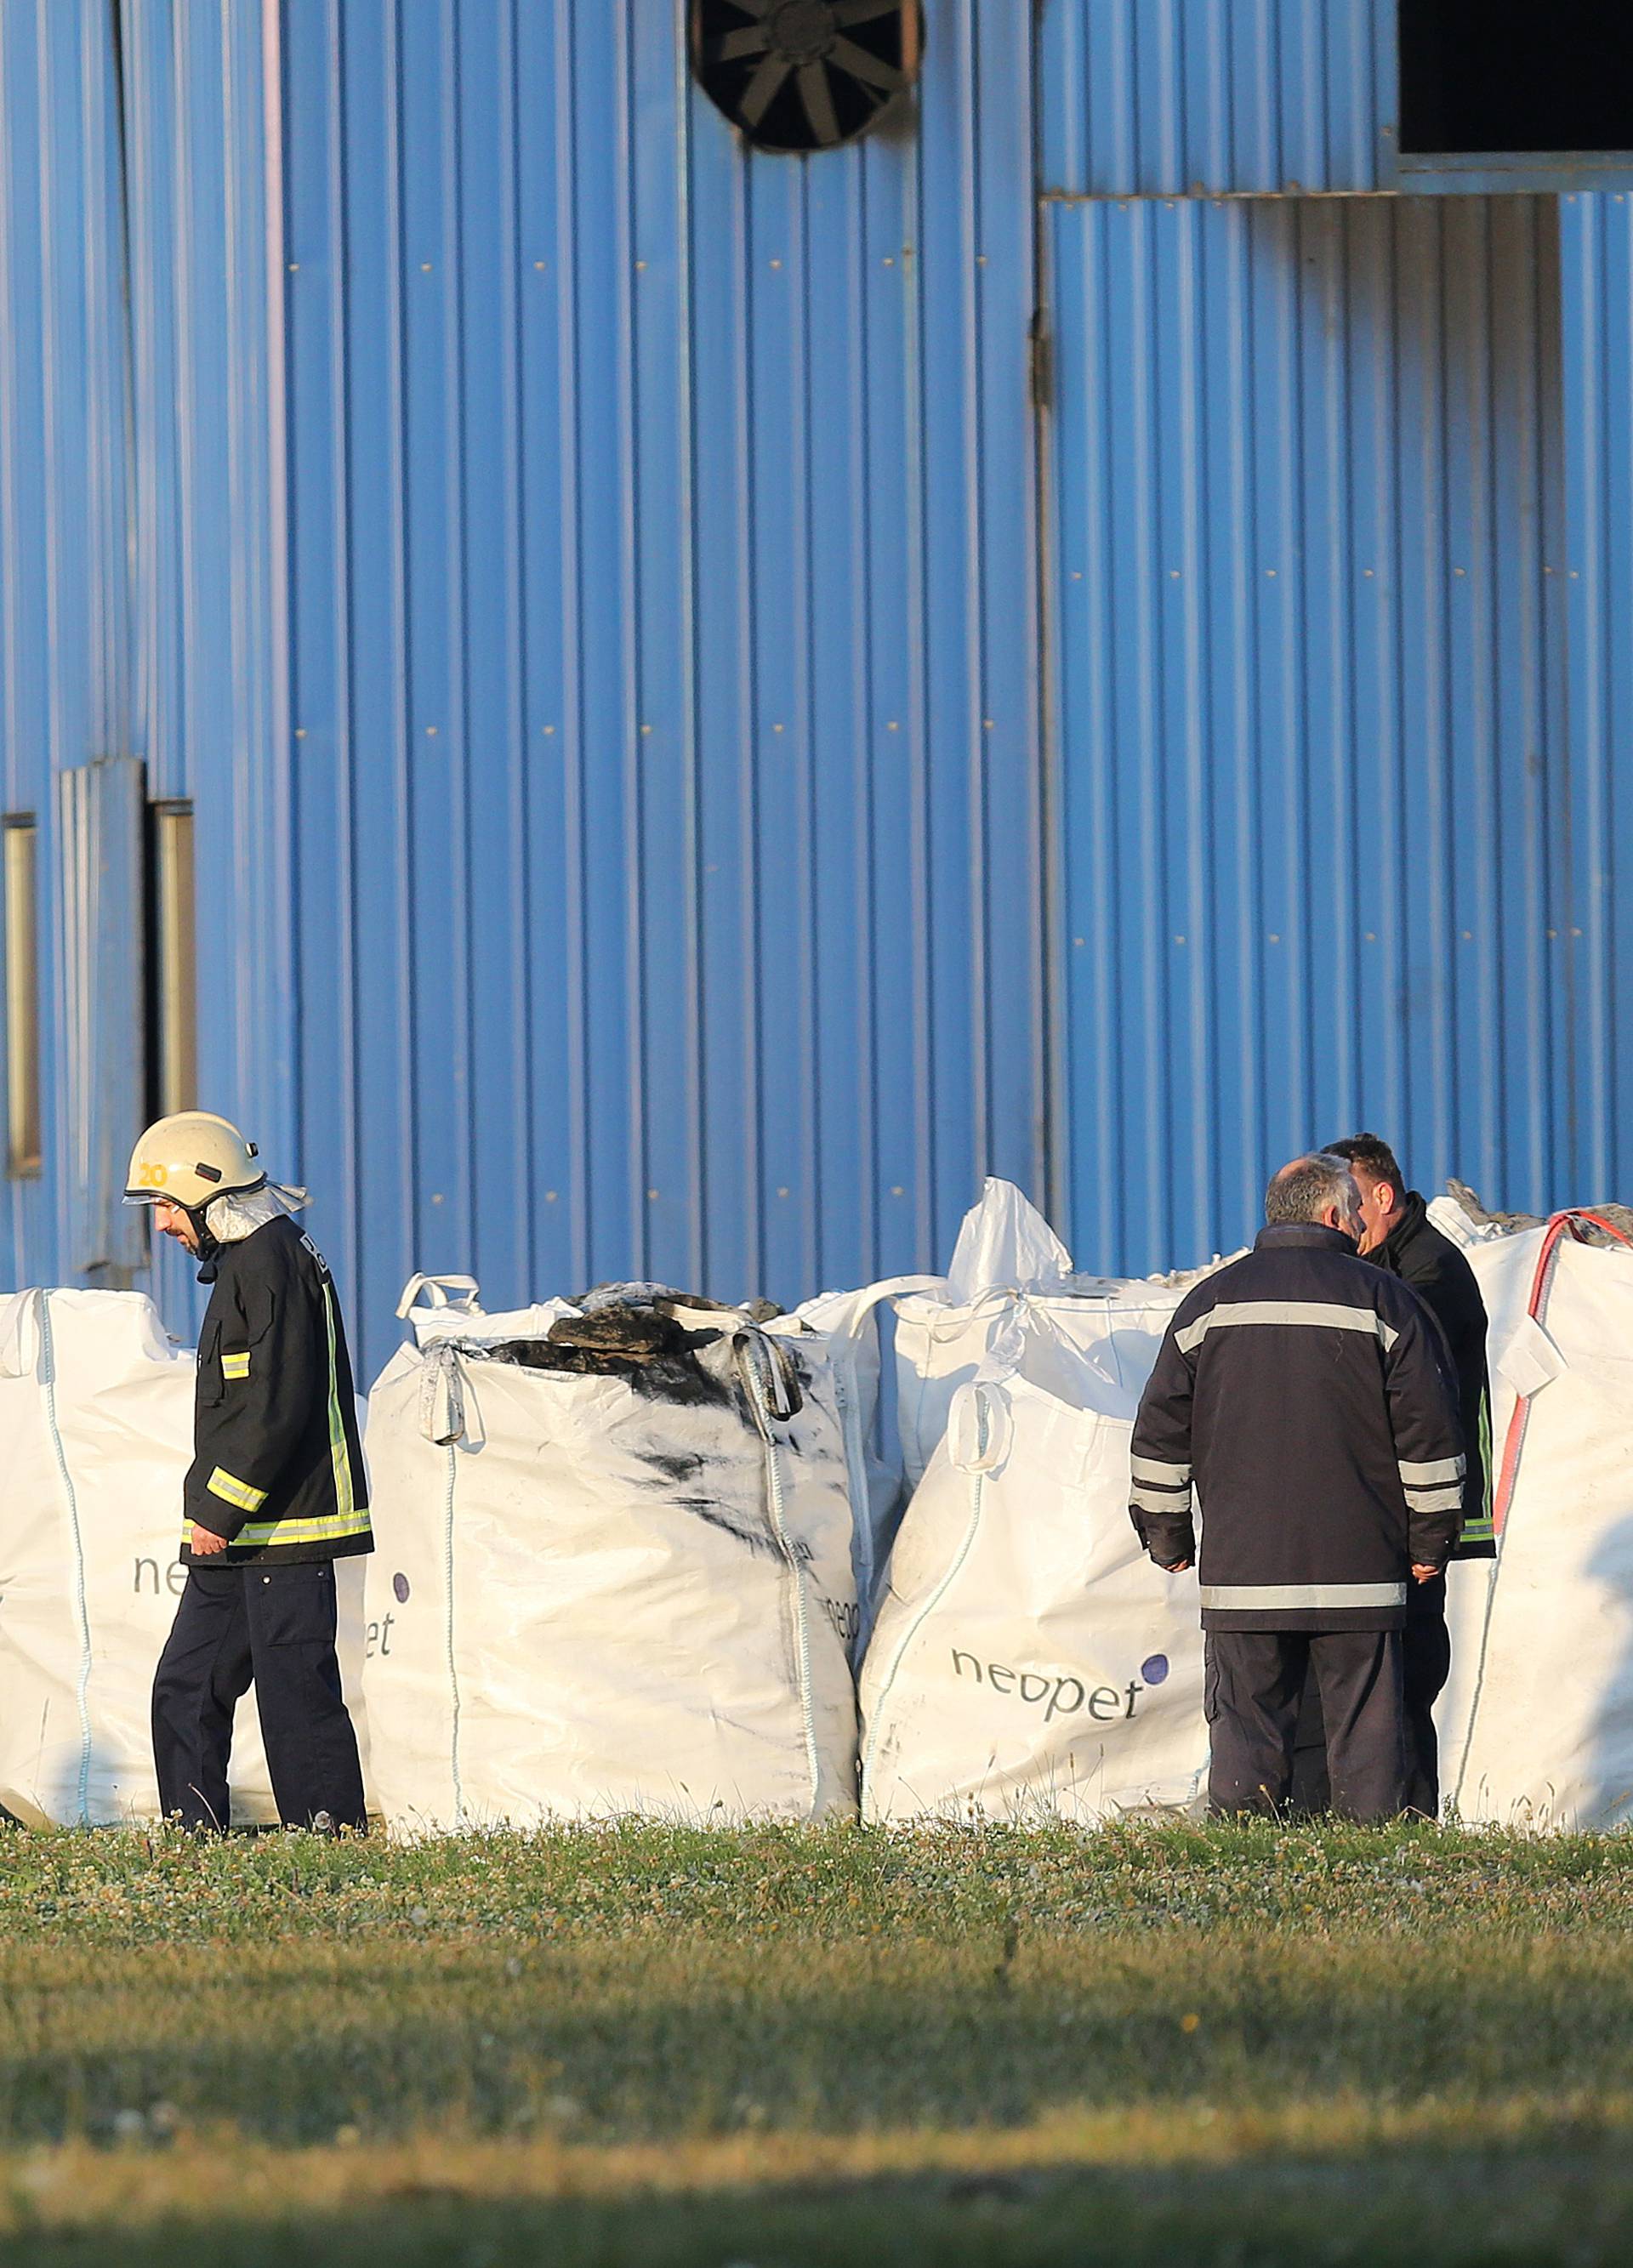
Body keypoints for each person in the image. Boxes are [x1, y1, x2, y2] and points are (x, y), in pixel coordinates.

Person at [1129, 1152, 1465, 1822]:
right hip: (1362, 1575)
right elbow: (1431, 1436)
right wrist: (1432, 1540)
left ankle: (1243, 1869)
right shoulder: (1387, 1299)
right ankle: (1373, 1875)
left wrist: (1167, 1534)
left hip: (1244, 1575)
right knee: (1367, 1744)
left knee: (1247, 1738)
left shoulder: (1208, 1304)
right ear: (1337, 1214)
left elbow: (1159, 1435)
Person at [124, 1111, 371, 1833]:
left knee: (295, 1686)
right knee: (187, 1682)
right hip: (239, 1529)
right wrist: (217, 1515)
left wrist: (218, 1512)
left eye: (167, 1206)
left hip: (284, 1525)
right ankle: (190, 1832)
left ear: (208, 1193)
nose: (164, 1225)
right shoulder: (249, 1260)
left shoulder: (270, 1261)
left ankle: (329, 1835)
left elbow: (275, 1404)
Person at [1287, 1132, 1493, 1818]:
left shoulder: (1426, 1276)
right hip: (1393, 1513)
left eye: (1352, 1205)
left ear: (1382, 1196)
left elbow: (1395, 1393)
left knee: (1402, 1680)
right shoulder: (1399, 1267)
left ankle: (1407, 1817)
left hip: (1417, 1519)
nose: (1345, 1224)